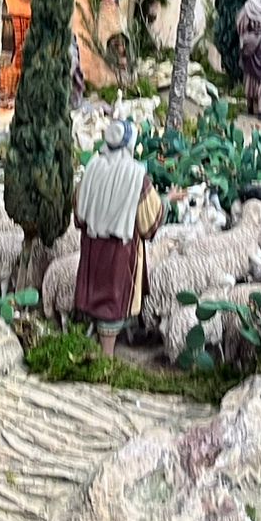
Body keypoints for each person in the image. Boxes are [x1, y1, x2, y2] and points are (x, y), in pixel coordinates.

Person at [73, 118, 165, 357]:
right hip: (120, 249)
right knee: (112, 302)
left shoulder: (93, 167)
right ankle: (107, 356)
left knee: (96, 295)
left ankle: (96, 347)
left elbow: (79, 207)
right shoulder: (136, 176)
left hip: (93, 244)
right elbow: (149, 219)